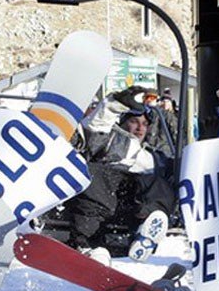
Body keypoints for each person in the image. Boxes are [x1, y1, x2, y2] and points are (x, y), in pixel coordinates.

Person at [64, 86, 175, 265]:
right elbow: (96, 126)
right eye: (134, 122)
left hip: (132, 208)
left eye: (144, 124)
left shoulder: (153, 156)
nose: (140, 128)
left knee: (157, 182)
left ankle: (147, 230)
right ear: (122, 122)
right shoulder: (110, 140)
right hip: (100, 200)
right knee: (95, 173)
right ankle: (89, 246)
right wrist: (116, 104)